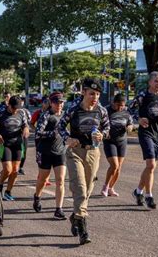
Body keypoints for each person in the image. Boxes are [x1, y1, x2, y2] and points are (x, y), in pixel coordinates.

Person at [58, 79, 110, 245]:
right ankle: (83, 228)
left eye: (97, 94)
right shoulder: (73, 109)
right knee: (79, 188)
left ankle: (75, 216)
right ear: (83, 93)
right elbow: (60, 127)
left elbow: (107, 128)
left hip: (93, 152)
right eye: (91, 94)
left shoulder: (101, 111)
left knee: (88, 189)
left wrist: (103, 135)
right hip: (75, 152)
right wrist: (68, 138)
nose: (95, 97)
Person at [129, 71, 158, 209]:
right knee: (151, 165)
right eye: (156, 81)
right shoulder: (143, 95)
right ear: (150, 82)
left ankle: (138, 192)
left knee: (150, 167)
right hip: (146, 133)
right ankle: (149, 196)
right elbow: (129, 109)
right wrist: (139, 118)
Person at [33, 91, 67, 219]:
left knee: (60, 180)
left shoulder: (64, 116)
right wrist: (53, 133)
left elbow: (66, 131)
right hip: (45, 151)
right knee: (42, 179)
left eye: (61, 102)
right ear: (51, 103)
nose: (59, 105)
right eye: (56, 102)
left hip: (60, 151)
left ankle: (59, 209)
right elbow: (38, 133)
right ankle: (37, 197)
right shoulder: (46, 115)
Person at [0, 95, 29, 201]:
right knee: (8, 170)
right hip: (5, 144)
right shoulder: (1, 112)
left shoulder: (21, 113)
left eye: (18, 108)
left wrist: (26, 128)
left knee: (15, 170)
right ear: (9, 105)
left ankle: (8, 192)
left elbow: (25, 124)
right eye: (14, 108)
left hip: (17, 143)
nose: (15, 111)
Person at [101, 93, 134, 197]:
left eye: (123, 106)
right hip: (109, 140)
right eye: (118, 105)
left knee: (119, 167)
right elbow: (99, 124)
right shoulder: (106, 111)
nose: (120, 108)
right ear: (113, 103)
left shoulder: (126, 112)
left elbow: (130, 123)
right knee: (114, 165)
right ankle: (105, 186)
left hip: (122, 141)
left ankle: (111, 188)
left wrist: (129, 127)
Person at [18, 98, 32, 175]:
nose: (21, 103)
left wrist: (26, 129)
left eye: (22, 101)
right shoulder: (13, 110)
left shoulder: (26, 111)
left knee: (24, 152)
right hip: (14, 135)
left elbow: (29, 121)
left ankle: (20, 167)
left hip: (24, 135)